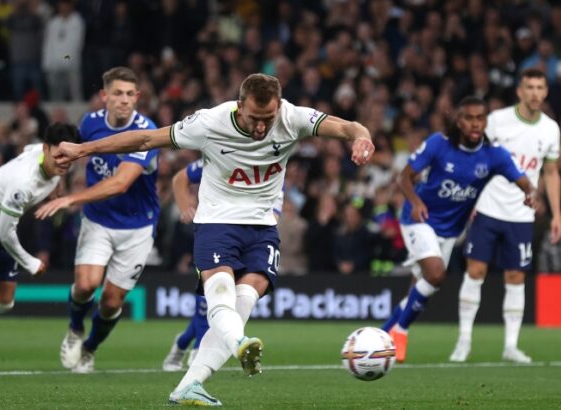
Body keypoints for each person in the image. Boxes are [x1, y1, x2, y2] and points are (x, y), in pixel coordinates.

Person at [53, 73, 375, 405]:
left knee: (243, 303)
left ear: (278, 106)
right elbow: (147, 139)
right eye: (254, 118)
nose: (261, 127)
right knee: (221, 296)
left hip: (263, 228)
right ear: (240, 106)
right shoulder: (209, 122)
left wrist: (362, 138)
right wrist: (83, 149)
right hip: (217, 223)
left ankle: (189, 385)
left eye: (268, 118)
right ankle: (239, 343)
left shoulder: (292, 117)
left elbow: (349, 127)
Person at [381, 96, 536, 363]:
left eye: (480, 118)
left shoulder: (494, 154)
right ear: (458, 121)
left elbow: (523, 180)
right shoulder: (438, 144)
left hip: (450, 231)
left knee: (423, 287)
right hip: (419, 219)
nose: (475, 123)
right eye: (469, 118)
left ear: (485, 122)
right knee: (436, 275)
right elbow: (404, 177)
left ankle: (382, 335)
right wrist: (415, 202)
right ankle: (401, 332)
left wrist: (530, 193)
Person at [34, 67, 159, 373]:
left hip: (137, 227)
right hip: (98, 220)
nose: (124, 100)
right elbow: (68, 155)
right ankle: (75, 328)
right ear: (104, 96)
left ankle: (90, 348)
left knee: (112, 302)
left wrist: (71, 198)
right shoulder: (90, 122)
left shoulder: (146, 131)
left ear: (137, 97)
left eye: (129, 94)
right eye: (117, 93)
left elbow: (121, 183)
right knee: (86, 285)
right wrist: (57, 181)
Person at [450, 68, 561, 363]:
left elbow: (551, 172)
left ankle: (511, 345)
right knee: (475, 271)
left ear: (545, 92)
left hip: (522, 215)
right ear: (520, 91)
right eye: (530, 87)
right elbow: (473, 154)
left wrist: (557, 214)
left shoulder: (551, 129)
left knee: (516, 276)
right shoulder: (498, 121)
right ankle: (463, 341)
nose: (535, 93)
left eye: (540, 88)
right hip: (488, 207)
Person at [162, 159, 284, 371]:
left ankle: (183, 344)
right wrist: (184, 207)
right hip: (216, 235)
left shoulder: (271, 172)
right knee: (208, 302)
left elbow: (271, 217)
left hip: (248, 246)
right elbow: (181, 178)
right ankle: (197, 353)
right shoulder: (222, 155)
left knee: (225, 305)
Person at [0, 123, 80, 326]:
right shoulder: (23, 184)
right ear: (46, 148)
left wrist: (55, 185)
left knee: (5, 302)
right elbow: (5, 233)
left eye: (70, 157)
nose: (64, 162)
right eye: (59, 156)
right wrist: (30, 262)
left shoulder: (42, 154)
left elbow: (30, 148)